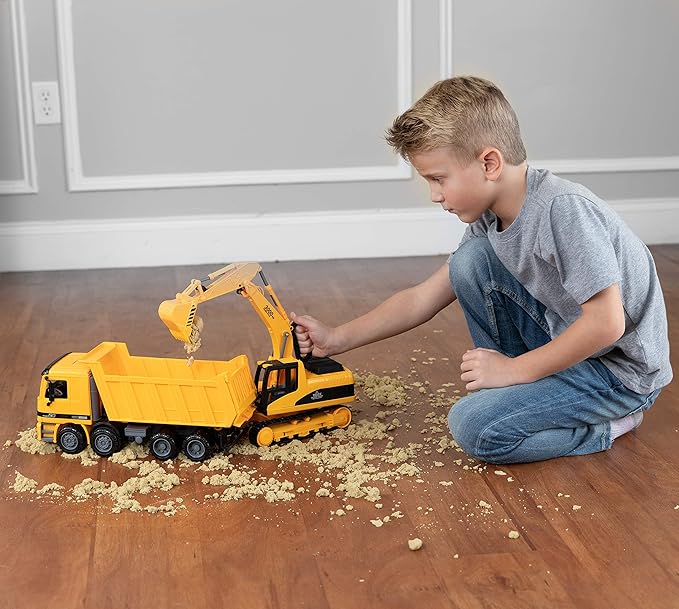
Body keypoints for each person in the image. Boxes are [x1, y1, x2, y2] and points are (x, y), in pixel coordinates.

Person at [290, 75, 673, 465]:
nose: (435, 195)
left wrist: (515, 369)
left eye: (439, 179)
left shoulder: (562, 210)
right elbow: (423, 298)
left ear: (489, 163)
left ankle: (608, 425)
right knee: (470, 262)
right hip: (569, 344)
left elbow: (607, 324)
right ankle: (515, 390)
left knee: (473, 427)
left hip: (618, 374)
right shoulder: (490, 219)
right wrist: (336, 339)